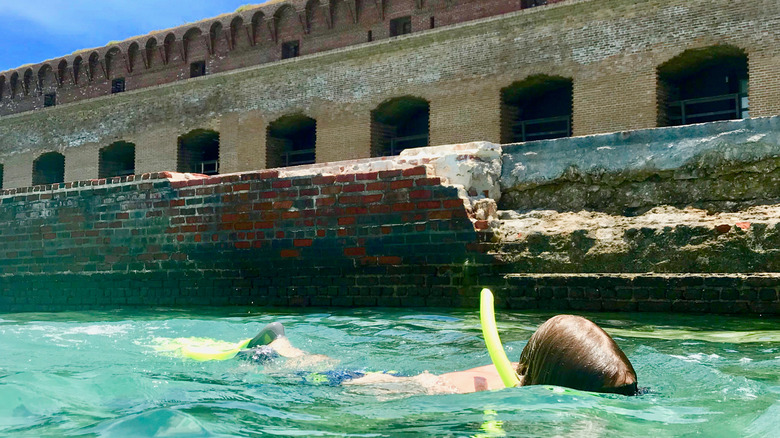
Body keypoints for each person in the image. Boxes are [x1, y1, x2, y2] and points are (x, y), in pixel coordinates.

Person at [240, 315, 639, 396]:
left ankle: (283, 346)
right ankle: (278, 347)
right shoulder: (489, 392)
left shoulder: (529, 372)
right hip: (408, 387)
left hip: (417, 377)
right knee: (314, 373)